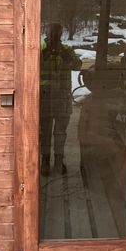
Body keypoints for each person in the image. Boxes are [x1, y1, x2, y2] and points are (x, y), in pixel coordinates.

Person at [40, 23, 81, 175]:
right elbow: (29, 67)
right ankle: (45, 160)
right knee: (44, 132)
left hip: (62, 98)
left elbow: (78, 66)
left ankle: (58, 160)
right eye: (52, 33)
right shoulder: (39, 49)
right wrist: (44, 54)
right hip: (44, 98)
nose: (54, 36)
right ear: (47, 33)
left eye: (57, 34)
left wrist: (66, 55)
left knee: (60, 132)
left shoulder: (66, 50)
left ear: (61, 35)